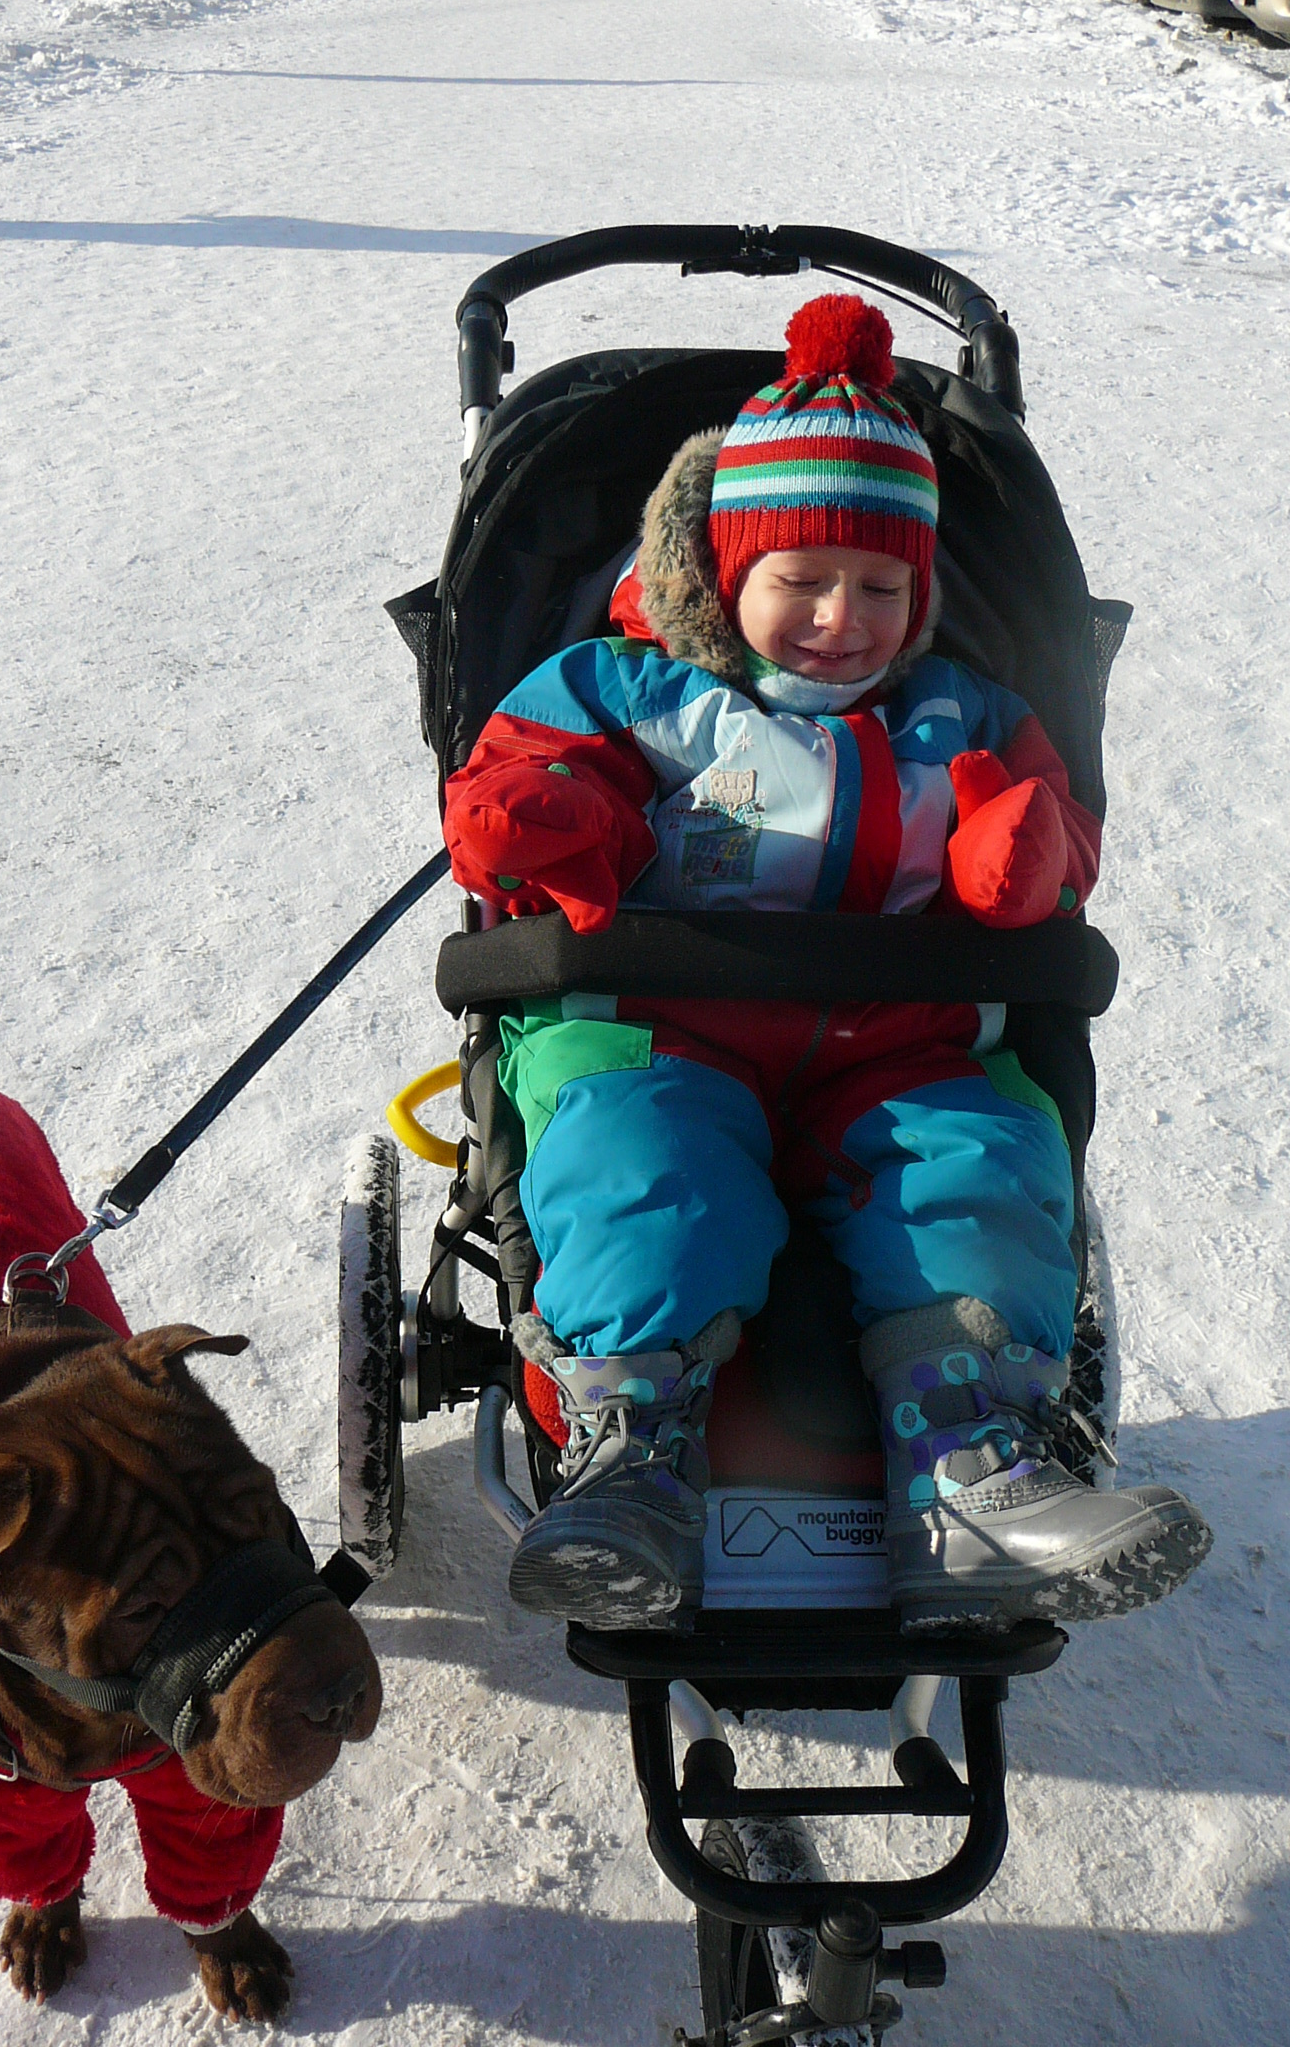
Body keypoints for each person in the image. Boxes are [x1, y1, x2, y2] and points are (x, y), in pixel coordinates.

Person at [442, 293, 1210, 1632]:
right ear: (725, 572)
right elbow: (514, 783)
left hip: (898, 1040)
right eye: (801, 579)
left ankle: (975, 1473)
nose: (840, 617)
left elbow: (1052, 835)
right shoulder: (626, 691)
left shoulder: (966, 713)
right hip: (661, 1025)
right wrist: (555, 819)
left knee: (975, 1162)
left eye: (880, 586)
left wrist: (1018, 857)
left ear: (921, 599)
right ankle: (633, 1456)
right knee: (638, 1168)